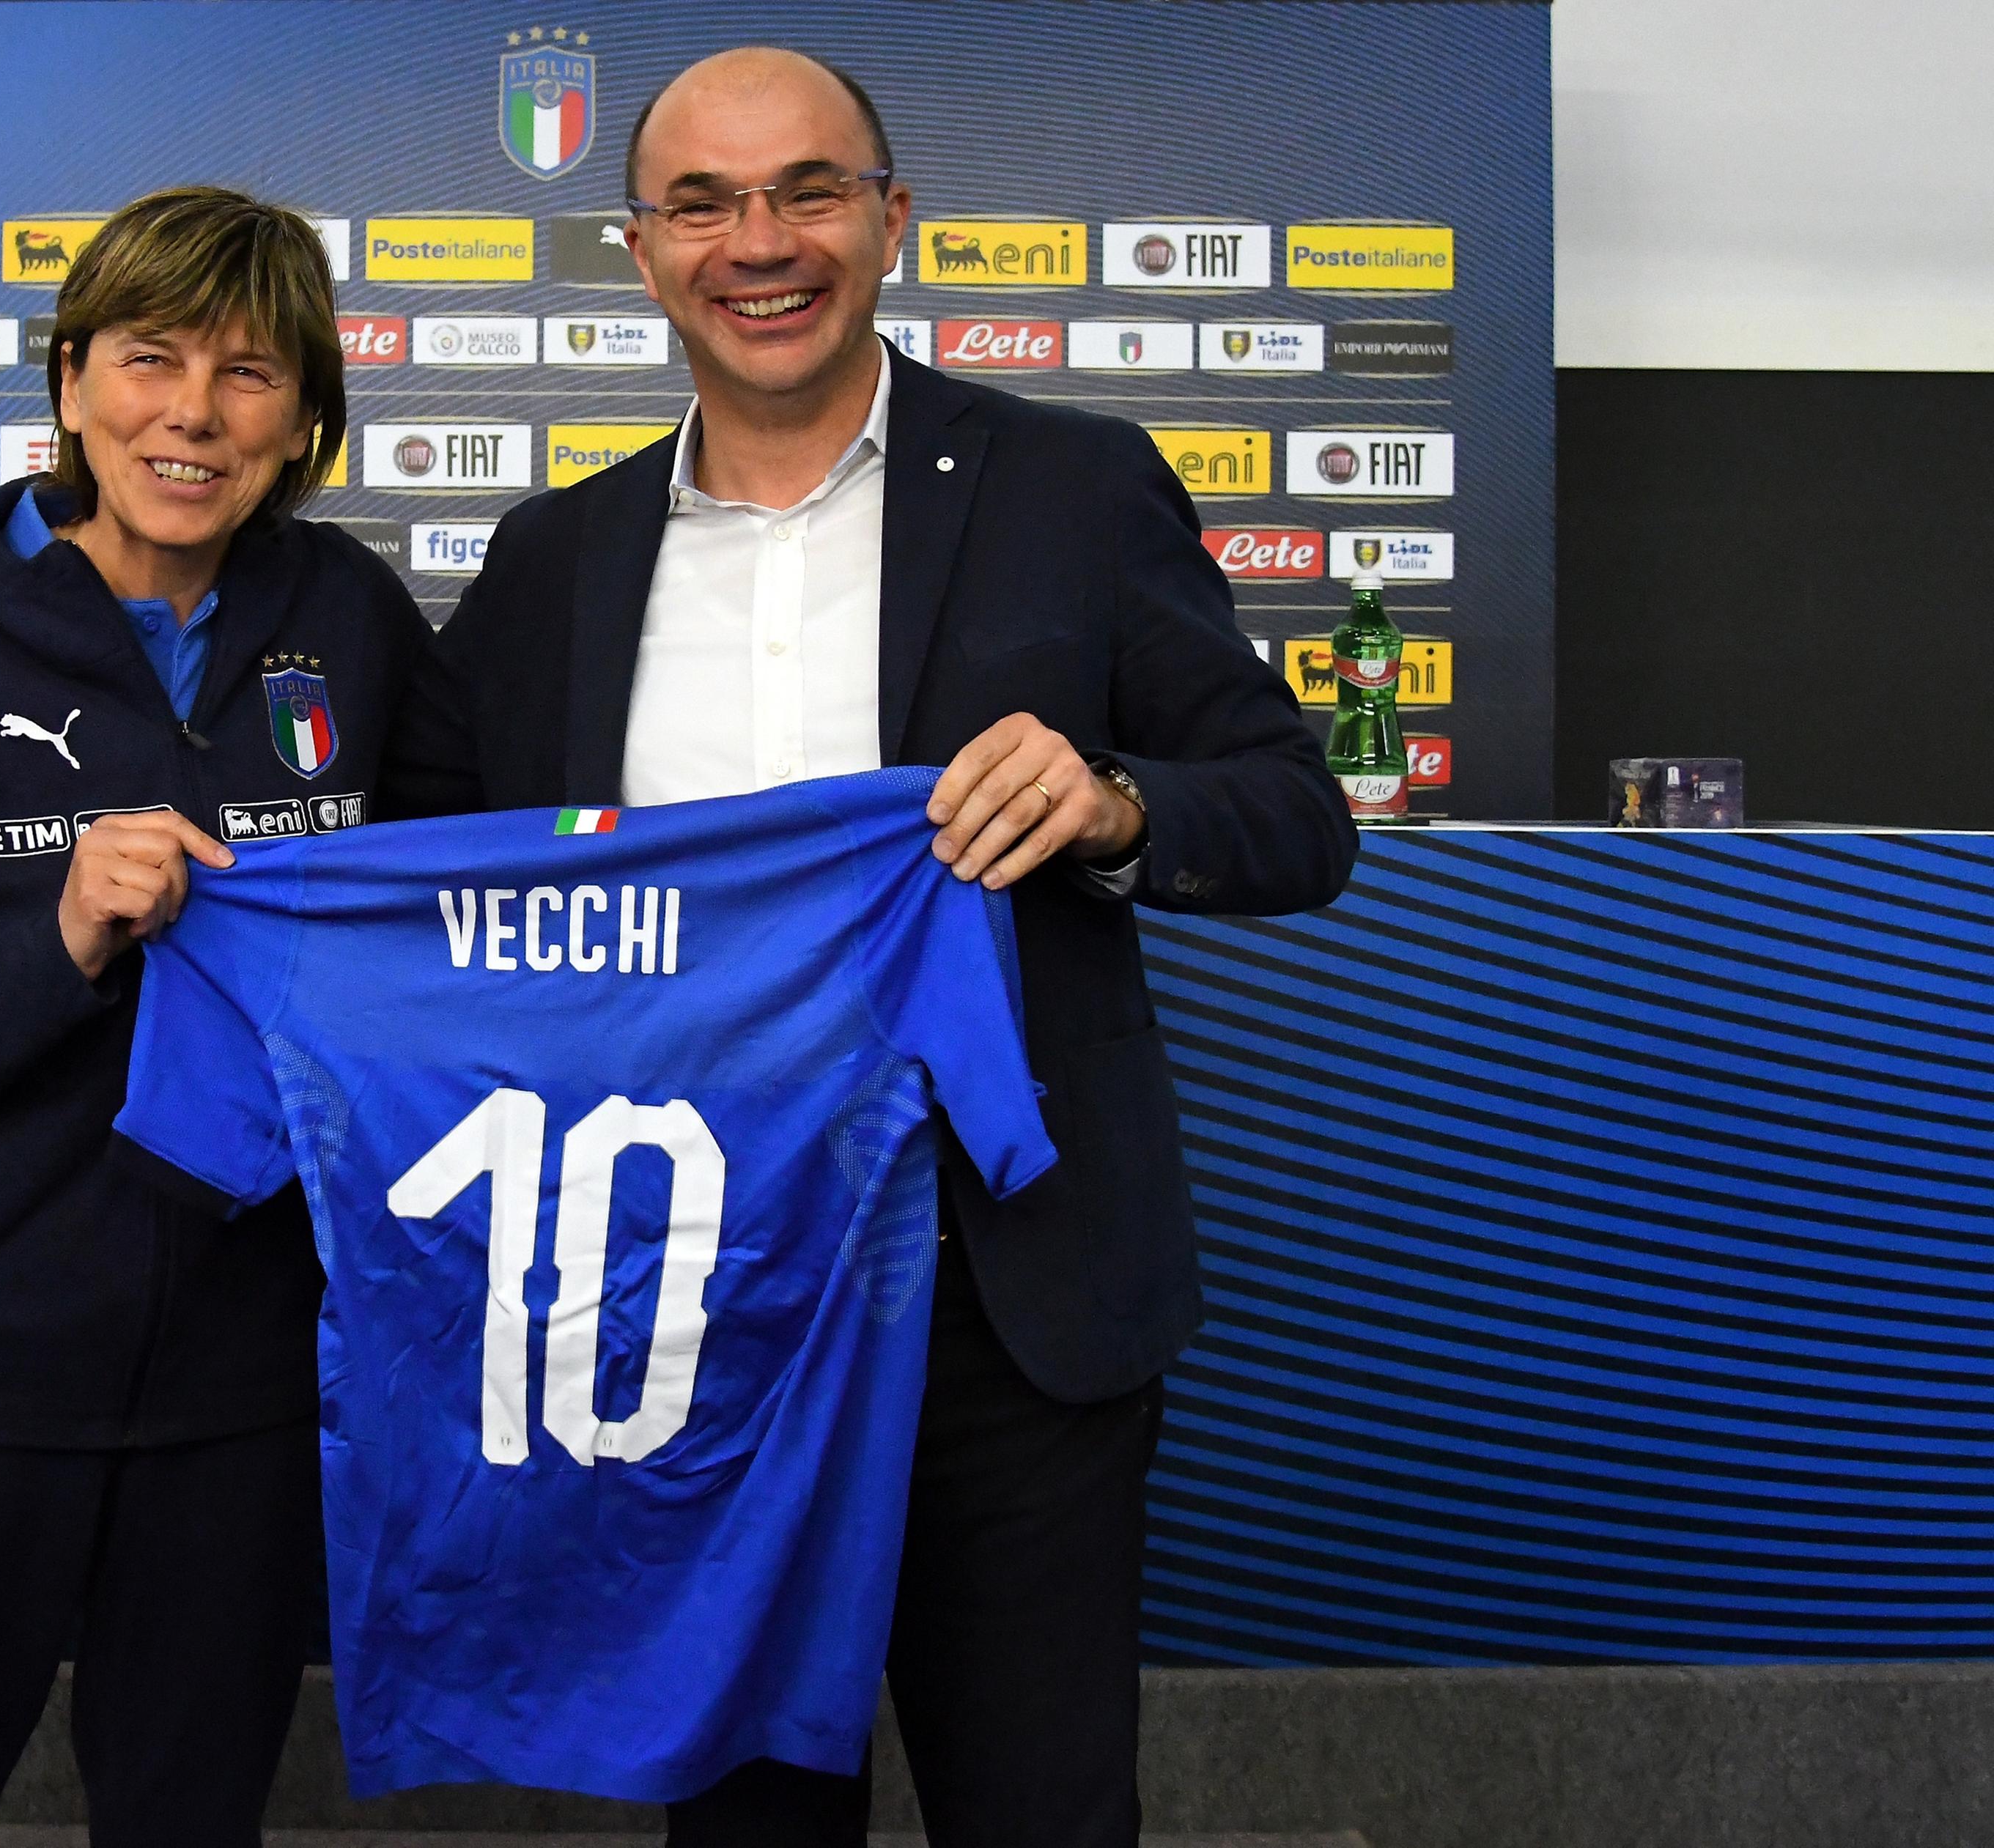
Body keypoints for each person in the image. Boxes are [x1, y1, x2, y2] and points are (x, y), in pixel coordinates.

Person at [385, 48, 1357, 1848]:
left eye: (809, 190)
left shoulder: (1078, 485)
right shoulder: (548, 563)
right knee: (743, 1818)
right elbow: (427, 895)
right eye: (704, 202)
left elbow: (1299, 815)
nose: (762, 242)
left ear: (892, 219)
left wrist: (1119, 804)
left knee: (1040, 1810)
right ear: (642, 247)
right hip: (690, 1316)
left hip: (1012, 1303)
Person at [0, 186, 433, 1848]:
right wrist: (60, 941)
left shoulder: (353, 624)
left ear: (306, 419)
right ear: (69, 381)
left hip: (240, 1396)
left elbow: (462, 938)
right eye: (149, 356)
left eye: (250, 374)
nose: (192, 412)